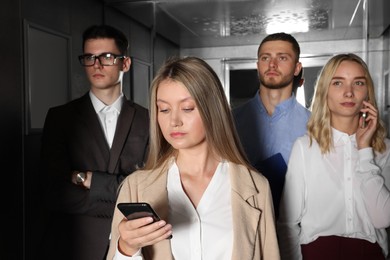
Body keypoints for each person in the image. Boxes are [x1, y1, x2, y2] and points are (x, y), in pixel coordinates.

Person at [106, 56, 280, 260]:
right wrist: (126, 247)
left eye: (187, 108)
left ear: (212, 110)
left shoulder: (256, 187)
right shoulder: (135, 187)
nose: (174, 121)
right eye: (164, 109)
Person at [40, 24, 150, 260]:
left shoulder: (148, 119)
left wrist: (90, 180)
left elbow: (151, 188)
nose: (97, 65)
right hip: (74, 248)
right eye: (89, 57)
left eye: (107, 57)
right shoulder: (60, 118)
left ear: (126, 63)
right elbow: (54, 192)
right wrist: (125, 206)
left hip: (132, 250)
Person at [277, 53, 390, 260]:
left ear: (367, 93)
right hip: (317, 253)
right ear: (324, 91)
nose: (349, 92)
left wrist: (365, 151)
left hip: (371, 253)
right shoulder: (305, 147)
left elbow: (383, 218)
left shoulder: (384, 149)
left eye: (358, 83)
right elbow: (287, 223)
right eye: (338, 83)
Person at [233, 32, 310, 217]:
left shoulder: (314, 125)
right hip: (243, 225)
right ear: (257, 65)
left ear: (297, 68)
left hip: (296, 229)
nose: (272, 64)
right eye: (265, 58)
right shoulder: (230, 121)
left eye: (282, 58)